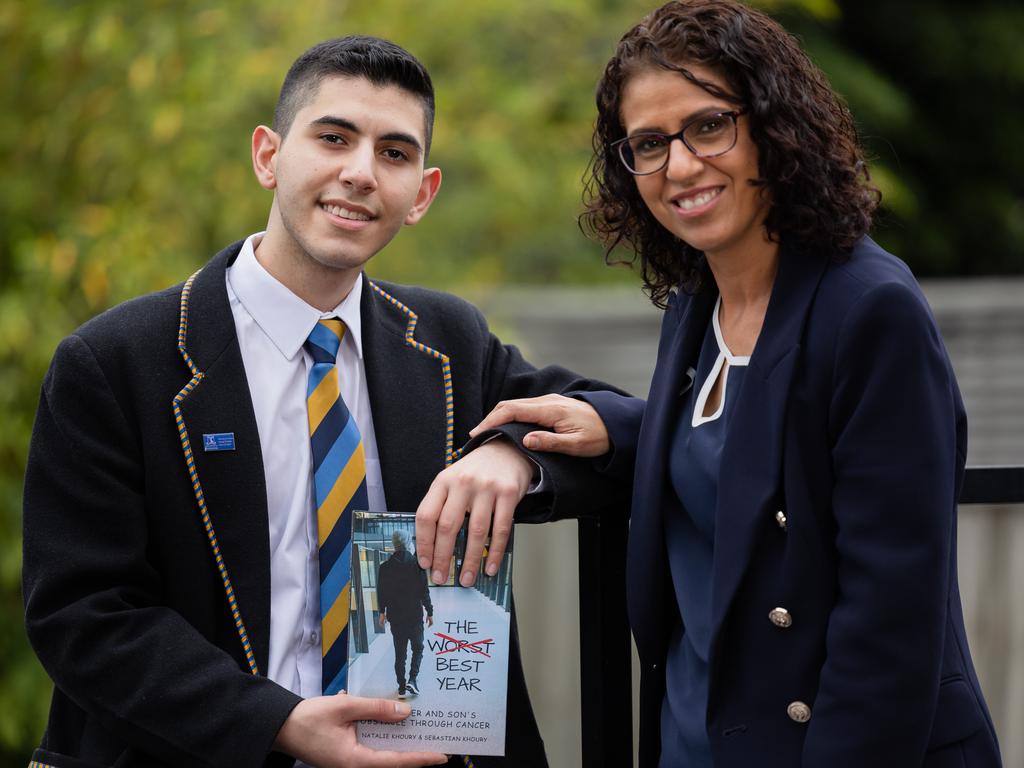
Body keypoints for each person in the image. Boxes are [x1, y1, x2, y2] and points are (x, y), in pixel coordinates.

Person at [22, 36, 617, 768]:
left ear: (422, 195)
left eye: (394, 154)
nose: (360, 173)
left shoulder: (448, 343)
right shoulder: (116, 362)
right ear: (268, 156)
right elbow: (82, 616)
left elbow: (617, 426)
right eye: (333, 138)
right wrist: (276, 722)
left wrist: (515, 455)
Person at [466, 2, 1004, 766]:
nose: (681, 166)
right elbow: (742, 448)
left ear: (775, 126)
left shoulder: (870, 310)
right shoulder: (697, 302)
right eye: (649, 144)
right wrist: (615, 428)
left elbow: (891, 625)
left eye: (709, 126)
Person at [377, 530, 433, 698]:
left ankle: (401, 687)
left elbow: (381, 592)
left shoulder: (384, 567)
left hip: (396, 619)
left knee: (399, 653)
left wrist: (382, 612)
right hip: (415, 618)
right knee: (418, 648)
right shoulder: (417, 565)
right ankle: (413, 680)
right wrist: (429, 612)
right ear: (409, 542)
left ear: (394, 544)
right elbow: (424, 592)